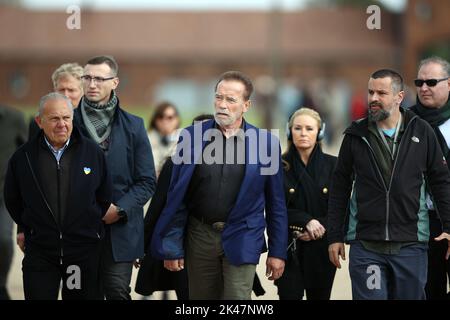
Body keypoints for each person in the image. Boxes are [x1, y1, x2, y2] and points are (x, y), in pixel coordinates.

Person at [151, 71, 287, 300]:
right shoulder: (191, 137)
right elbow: (177, 197)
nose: (222, 105)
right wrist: (172, 244)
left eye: (231, 100)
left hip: (244, 233)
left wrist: (277, 252)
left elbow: (276, 204)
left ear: (246, 105)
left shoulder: (266, 144)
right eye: (218, 97)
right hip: (199, 237)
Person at [328, 69, 450, 300]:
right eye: (370, 92)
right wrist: (335, 235)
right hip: (367, 247)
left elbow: (441, 181)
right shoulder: (356, 135)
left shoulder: (422, 131)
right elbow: (339, 188)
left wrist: (448, 226)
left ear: (399, 97)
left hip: (411, 245)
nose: (373, 98)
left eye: (381, 93)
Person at [4, 93, 112, 300]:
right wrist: (32, 225)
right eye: (54, 118)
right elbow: (13, 198)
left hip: (81, 255)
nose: (62, 124)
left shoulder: (92, 152)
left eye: (66, 118)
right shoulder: (23, 157)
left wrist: (87, 224)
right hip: (41, 254)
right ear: (39, 121)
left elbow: (104, 195)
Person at [73, 55, 156, 300]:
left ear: (115, 82)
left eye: (99, 78)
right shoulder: (67, 124)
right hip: (78, 228)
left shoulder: (134, 126)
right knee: (82, 293)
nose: (92, 84)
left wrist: (119, 209)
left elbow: (147, 181)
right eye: (87, 78)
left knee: (117, 291)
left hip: (121, 229)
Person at [275, 107, 336, 300]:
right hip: (289, 246)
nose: (303, 133)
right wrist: (305, 222)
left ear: (320, 132)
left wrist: (320, 226)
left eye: (309, 129)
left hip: (321, 247)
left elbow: (340, 207)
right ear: (289, 131)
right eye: (297, 128)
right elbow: (275, 207)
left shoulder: (334, 165)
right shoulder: (277, 165)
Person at [409, 56, 450, 300]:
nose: (424, 88)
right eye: (420, 82)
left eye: (432, 82)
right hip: (419, 224)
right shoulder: (405, 121)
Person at [0, 104, 27, 300]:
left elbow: (27, 154)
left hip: (4, 192)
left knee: (2, 239)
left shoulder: (14, 118)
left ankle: (1, 285)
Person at [27, 63, 84, 141]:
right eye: (61, 90)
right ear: (54, 90)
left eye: (71, 90)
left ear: (83, 92)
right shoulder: (38, 124)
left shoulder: (90, 125)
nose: (66, 96)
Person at [147, 101, 180, 176]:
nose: (165, 121)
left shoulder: (184, 140)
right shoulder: (146, 140)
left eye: (170, 117)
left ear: (177, 120)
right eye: (160, 117)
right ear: (155, 120)